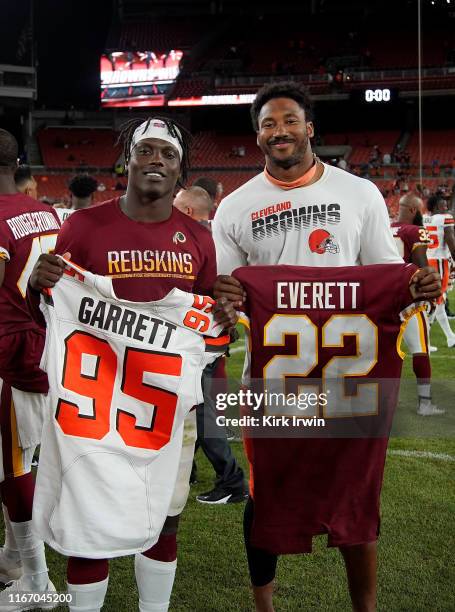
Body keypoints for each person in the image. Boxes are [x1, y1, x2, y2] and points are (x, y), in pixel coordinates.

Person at [211, 82, 441, 612]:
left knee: (355, 496)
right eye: (268, 123)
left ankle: (365, 607)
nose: (279, 131)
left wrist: (417, 285)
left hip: (348, 379)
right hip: (272, 382)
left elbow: (389, 278)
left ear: (309, 127)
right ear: (258, 134)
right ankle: (262, 604)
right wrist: (225, 297)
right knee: (265, 495)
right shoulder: (235, 206)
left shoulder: (358, 193)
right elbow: (226, 295)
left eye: (290, 120)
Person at [28, 116, 237, 612]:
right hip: (94, 402)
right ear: (128, 160)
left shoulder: (198, 238)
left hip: (163, 406)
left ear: (181, 167)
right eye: (146, 150)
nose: (156, 161)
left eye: (167, 153)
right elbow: (52, 303)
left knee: (165, 513)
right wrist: (40, 280)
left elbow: (207, 323)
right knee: (87, 514)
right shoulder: (81, 225)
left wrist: (224, 310)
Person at [0, 129, 59, 606]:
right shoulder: (44, 211)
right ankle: (13, 557)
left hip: (9, 355)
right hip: (44, 344)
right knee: (20, 457)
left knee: (13, 467)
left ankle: (37, 583)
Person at [173, 188, 247, 503]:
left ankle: (232, 480)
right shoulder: (214, 237)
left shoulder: (194, 239)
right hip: (209, 338)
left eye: (176, 204)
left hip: (200, 340)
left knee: (202, 413)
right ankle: (184, 469)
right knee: (190, 410)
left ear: (188, 210)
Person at [391, 193, 443, 415]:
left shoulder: (386, 227)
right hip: (407, 298)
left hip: (381, 296)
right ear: (413, 210)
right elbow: (421, 266)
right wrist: (429, 295)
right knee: (420, 350)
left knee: (384, 351)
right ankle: (424, 404)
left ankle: (379, 400)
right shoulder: (414, 231)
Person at [424, 192, 455, 347]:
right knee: (436, 300)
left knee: (439, 300)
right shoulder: (445, 218)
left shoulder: (425, 218)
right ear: (437, 206)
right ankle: (424, 338)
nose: (446, 206)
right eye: (443, 204)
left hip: (427, 260)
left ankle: (450, 337)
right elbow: (450, 241)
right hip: (440, 261)